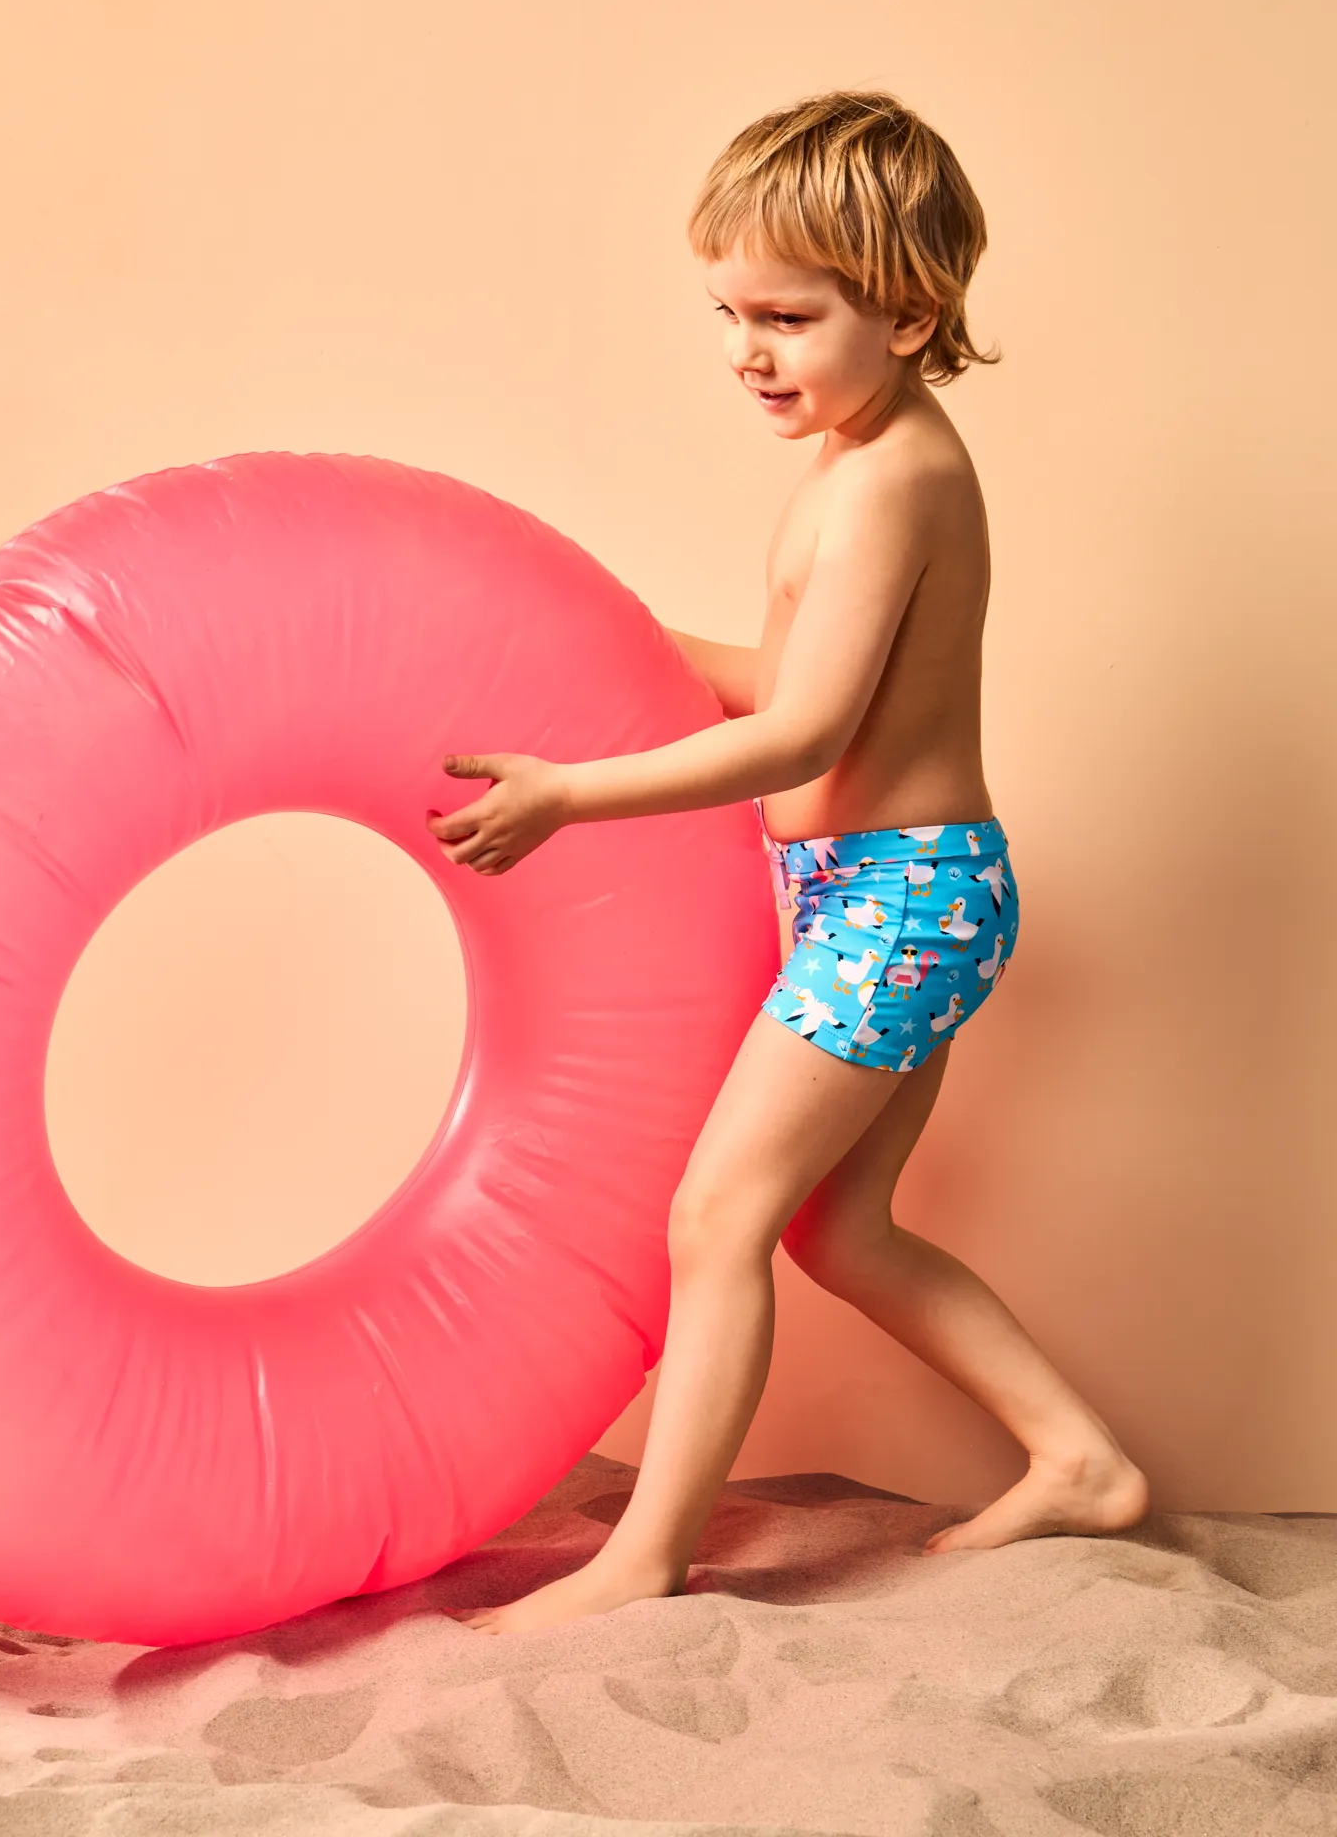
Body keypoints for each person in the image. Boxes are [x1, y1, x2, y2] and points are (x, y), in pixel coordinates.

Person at [427, 89, 1149, 1636]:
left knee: (722, 1217)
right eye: (730, 315)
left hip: (904, 899)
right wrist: (604, 628)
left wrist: (574, 795)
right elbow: (789, 674)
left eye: (787, 317)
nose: (748, 352)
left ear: (907, 312)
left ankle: (646, 1558)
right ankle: (1080, 1458)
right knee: (841, 1228)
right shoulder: (849, 456)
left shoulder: (894, 479)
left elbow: (804, 733)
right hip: (877, 896)